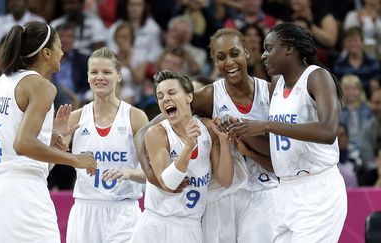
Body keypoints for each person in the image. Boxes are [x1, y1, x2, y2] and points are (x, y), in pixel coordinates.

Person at [135, 28, 278, 243]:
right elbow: (142, 134)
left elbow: (279, 156)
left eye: (234, 53)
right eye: (221, 57)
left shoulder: (269, 92)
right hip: (220, 194)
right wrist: (153, 176)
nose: (229, 62)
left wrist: (246, 142)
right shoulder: (210, 95)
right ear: (214, 62)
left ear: (247, 52)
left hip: (262, 189)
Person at [0, 21, 96, 243]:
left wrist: (47, 137)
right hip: (20, 195)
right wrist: (75, 159)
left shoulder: (2, 82)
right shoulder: (42, 86)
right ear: (46, 53)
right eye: (58, 46)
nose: (62, 51)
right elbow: (23, 144)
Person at [230, 22, 347, 242]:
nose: (263, 55)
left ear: (289, 48)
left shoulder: (316, 77)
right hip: (284, 190)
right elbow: (279, 154)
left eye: (269, 48)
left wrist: (267, 125)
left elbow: (329, 130)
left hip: (318, 190)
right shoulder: (276, 84)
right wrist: (242, 132)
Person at [130, 70, 234, 243]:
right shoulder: (157, 133)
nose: (166, 99)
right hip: (155, 224)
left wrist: (224, 141)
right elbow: (168, 183)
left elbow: (225, 180)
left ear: (189, 97)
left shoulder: (209, 129)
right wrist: (188, 148)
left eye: (172, 93)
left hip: (190, 227)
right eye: (160, 96)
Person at [65, 47, 149, 243]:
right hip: (85, 210)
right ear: (87, 77)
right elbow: (49, 166)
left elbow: (153, 173)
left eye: (107, 72)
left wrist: (129, 172)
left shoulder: (135, 117)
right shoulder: (75, 118)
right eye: (94, 72)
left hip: (124, 210)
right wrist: (57, 139)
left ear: (119, 76)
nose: (99, 77)